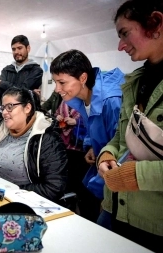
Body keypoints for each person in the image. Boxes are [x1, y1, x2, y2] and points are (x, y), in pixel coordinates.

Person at [96, 1, 163, 251]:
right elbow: (121, 137)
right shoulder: (134, 83)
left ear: (156, 23)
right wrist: (107, 154)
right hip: (114, 208)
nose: (120, 45)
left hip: (154, 224)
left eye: (125, 33)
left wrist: (134, 175)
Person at [50, 49, 125, 222]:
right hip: (100, 160)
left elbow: (122, 145)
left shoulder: (111, 100)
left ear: (83, 78)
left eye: (62, 82)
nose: (56, 89)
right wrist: (91, 144)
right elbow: (91, 122)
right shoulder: (82, 97)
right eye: (55, 82)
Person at [0, 35, 43, 131]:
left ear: (28, 48)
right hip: (5, 122)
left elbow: (21, 91)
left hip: (26, 123)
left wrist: (2, 83)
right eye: (13, 49)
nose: (16, 52)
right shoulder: (6, 70)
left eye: (20, 48)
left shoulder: (36, 70)